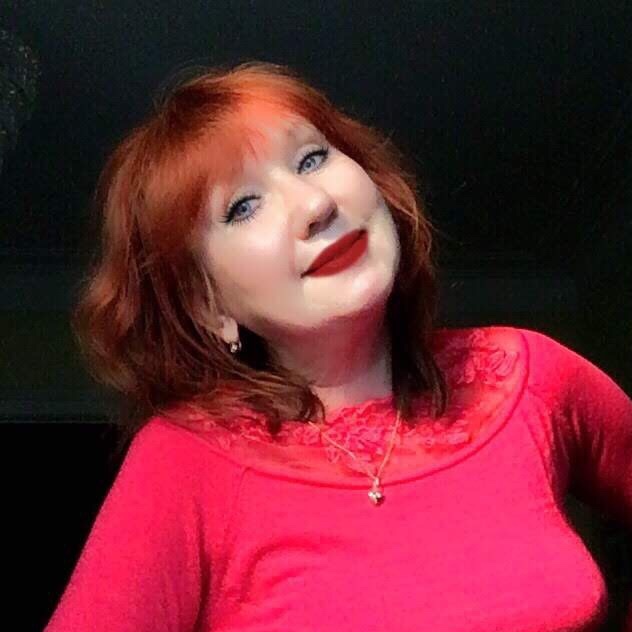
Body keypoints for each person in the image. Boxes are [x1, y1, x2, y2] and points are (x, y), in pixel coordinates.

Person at [45, 61, 632, 632]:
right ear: (207, 305)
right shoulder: (182, 462)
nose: (315, 205)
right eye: (243, 207)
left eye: (312, 158)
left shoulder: (530, 377)